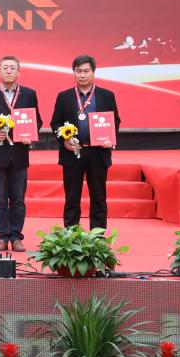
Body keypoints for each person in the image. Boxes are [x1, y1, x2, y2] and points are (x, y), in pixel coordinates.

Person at [0, 55, 42, 252]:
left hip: (20, 153)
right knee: (0, 198)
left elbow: (36, 120)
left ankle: (17, 236)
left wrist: (31, 135)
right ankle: (2, 236)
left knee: (19, 198)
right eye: (5, 67)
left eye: (13, 67)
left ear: (19, 72)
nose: (9, 70)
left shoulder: (29, 94)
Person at [50, 54, 121, 230]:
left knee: (99, 197)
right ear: (73, 73)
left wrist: (109, 138)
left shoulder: (106, 95)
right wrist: (64, 139)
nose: (82, 75)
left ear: (93, 72)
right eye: (79, 71)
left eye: (86, 71)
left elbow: (115, 120)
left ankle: (97, 236)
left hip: (98, 153)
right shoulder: (64, 96)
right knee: (72, 198)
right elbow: (55, 122)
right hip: (73, 152)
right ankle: (71, 235)